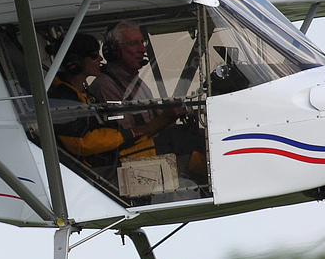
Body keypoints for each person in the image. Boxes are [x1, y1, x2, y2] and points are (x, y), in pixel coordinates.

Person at [89, 22, 207, 183]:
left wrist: (172, 114)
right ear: (113, 51)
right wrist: (166, 118)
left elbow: (157, 122)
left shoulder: (137, 83)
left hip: (150, 148)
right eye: (134, 44)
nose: (142, 49)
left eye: (142, 43)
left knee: (201, 137)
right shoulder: (105, 86)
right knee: (195, 144)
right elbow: (126, 136)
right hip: (129, 158)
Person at [46, 34, 137, 171]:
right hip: (89, 171)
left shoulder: (83, 92)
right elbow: (82, 143)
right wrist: (129, 134)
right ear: (75, 62)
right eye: (94, 55)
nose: (101, 59)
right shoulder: (61, 98)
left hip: (105, 162)